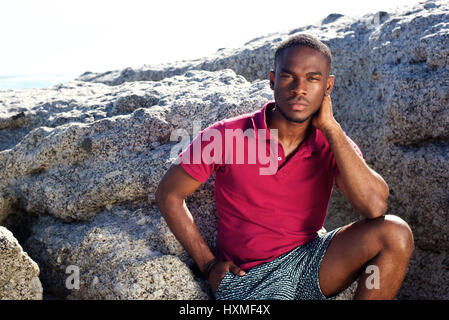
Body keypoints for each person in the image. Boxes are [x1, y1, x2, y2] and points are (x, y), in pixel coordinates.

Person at [155, 34, 414, 300]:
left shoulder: (333, 140)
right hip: (248, 279)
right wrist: (208, 265)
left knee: (394, 232)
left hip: (310, 262)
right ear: (272, 80)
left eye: (313, 79)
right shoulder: (225, 136)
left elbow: (374, 207)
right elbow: (169, 194)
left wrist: (332, 129)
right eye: (289, 76)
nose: (299, 88)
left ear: (328, 86)